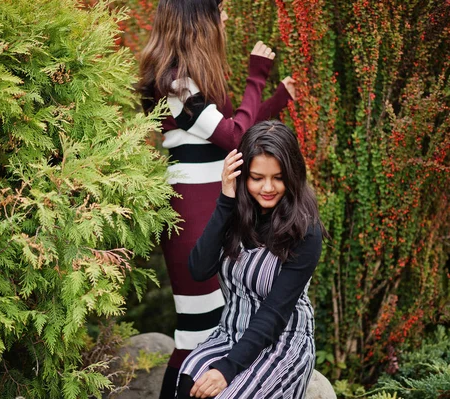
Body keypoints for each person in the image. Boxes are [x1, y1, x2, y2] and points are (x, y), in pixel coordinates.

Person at [138, 0, 297, 397]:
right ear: (196, 18)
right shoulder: (175, 83)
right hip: (192, 216)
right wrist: (256, 77)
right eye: (219, 9)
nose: (225, 17)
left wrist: (278, 99)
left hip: (218, 209)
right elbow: (233, 137)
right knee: (197, 331)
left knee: (218, 329)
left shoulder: (193, 80)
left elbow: (235, 130)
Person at [176, 120, 324, 399]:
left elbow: (275, 314)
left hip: (283, 340)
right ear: (242, 175)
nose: (267, 187)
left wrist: (227, 369)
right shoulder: (236, 213)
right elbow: (199, 269)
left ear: (292, 175)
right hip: (230, 333)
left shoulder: (306, 231)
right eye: (257, 178)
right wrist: (225, 199)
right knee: (188, 381)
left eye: (278, 177)